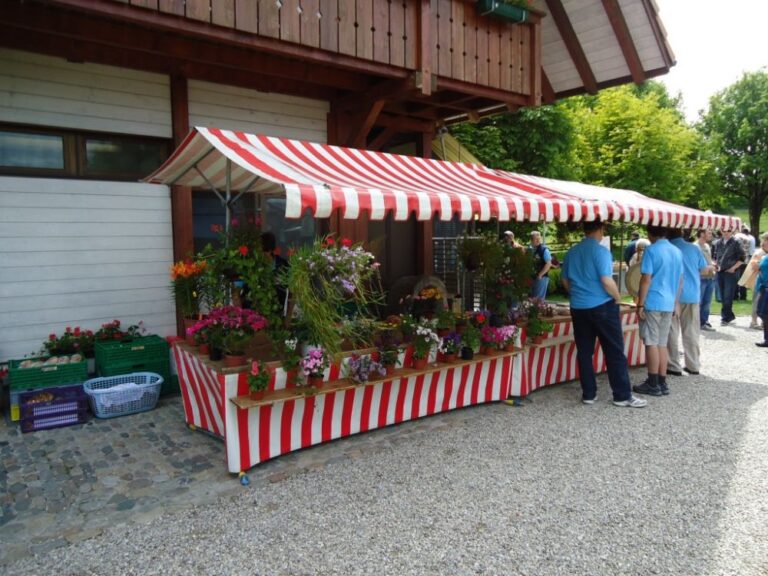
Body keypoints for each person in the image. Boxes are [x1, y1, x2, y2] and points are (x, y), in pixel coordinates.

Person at [560, 220, 647, 408]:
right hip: (602, 306)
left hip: (578, 307)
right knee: (614, 350)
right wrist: (617, 297)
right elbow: (606, 280)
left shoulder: (572, 252)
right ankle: (622, 395)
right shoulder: (601, 252)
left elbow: (565, 280)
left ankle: (589, 394)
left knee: (584, 352)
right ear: (600, 229)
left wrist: (577, 294)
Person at [633, 226, 683, 397]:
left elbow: (646, 279)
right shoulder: (676, 251)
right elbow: (680, 279)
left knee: (651, 342)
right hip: (669, 302)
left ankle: (652, 383)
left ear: (650, 234)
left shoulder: (651, 250)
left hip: (654, 301)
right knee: (662, 343)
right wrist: (675, 302)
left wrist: (640, 304)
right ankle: (662, 382)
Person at [666, 229, 708, 376]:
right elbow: (704, 269)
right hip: (691, 295)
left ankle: (673, 364)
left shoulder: (667, 248)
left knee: (672, 331)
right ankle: (693, 364)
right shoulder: (694, 248)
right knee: (691, 331)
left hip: (671, 295)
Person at [715, 228, 746, 326]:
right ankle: (729, 315)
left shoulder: (736, 242)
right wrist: (715, 265)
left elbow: (742, 257)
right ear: (721, 231)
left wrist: (733, 268)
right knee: (722, 295)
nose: (726, 233)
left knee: (728, 295)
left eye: (728, 231)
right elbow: (715, 256)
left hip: (731, 272)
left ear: (732, 231)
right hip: (720, 271)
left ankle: (725, 318)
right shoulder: (718, 243)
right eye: (724, 231)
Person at [741, 232, 767, 330]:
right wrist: (760, 265)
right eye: (765, 240)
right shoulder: (759, 253)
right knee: (757, 301)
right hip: (760, 281)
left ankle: (764, 322)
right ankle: (754, 321)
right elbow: (754, 266)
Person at [696, 229, 717, 331]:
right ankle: (697, 322)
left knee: (707, 302)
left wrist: (713, 264)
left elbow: (708, 260)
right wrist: (709, 267)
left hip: (710, 277)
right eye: (708, 233)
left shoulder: (707, 246)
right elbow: (696, 264)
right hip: (701, 278)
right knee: (699, 302)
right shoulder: (695, 247)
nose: (711, 234)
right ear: (701, 234)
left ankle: (704, 321)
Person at [528, 231, 552, 300]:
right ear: (531, 240)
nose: (538, 240)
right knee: (532, 299)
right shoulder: (529, 250)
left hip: (541, 278)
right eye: (536, 239)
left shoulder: (544, 250)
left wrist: (540, 275)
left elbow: (548, 264)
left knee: (538, 300)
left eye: (539, 238)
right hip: (531, 277)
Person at [754, 232, 768, 347]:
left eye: (766, 240)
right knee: (761, 312)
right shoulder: (765, 256)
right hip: (763, 288)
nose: (763, 243)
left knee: (763, 312)